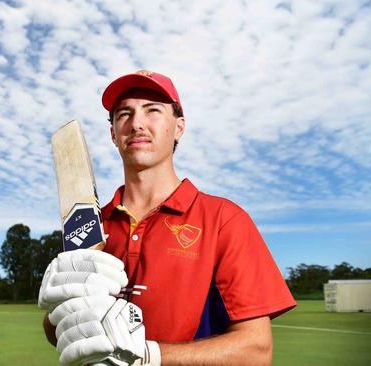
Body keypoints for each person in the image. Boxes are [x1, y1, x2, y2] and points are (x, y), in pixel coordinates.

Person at [38, 70, 296, 366]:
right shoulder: (92, 228)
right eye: (124, 114)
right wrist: (57, 312)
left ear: (179, 127)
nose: (137, 124)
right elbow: (65, 333)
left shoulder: (223, 219)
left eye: (153, 111)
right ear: (113, 134)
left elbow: (256, 351)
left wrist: (148, 356)